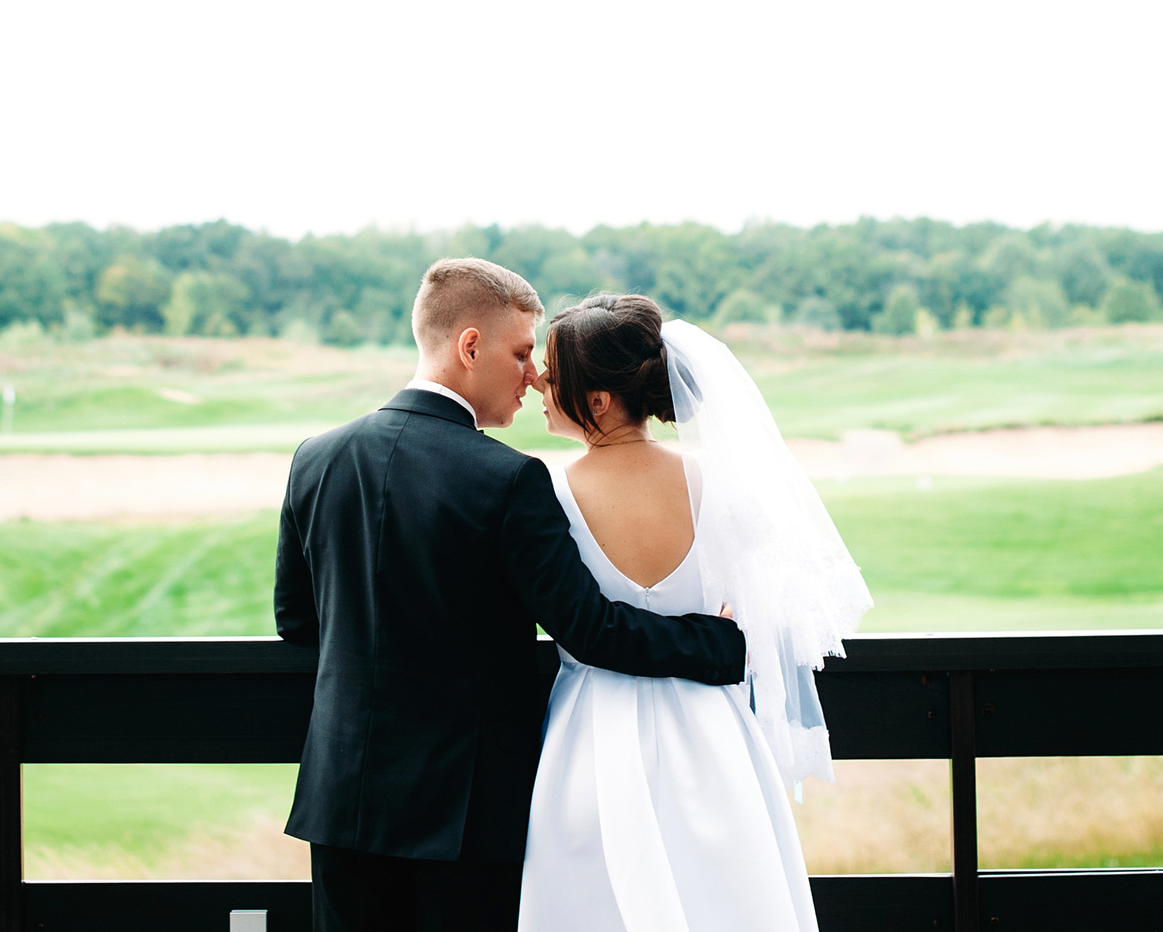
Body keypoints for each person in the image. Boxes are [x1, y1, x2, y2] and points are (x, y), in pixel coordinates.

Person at [275, 260, 747, 932]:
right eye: (523, 352)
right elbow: (589, 627)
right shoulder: (507, 479)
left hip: (343, 798)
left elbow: (296, 621)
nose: (534, 374)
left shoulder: (315, 457)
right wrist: (721, 642)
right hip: (466, 812)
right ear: (471, 346)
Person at [518, 295, 872, 932]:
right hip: (712, 730)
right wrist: (733, 627)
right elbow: (780, 604)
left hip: (591, 736)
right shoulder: (720, 482)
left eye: (552, 370)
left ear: (597, 401)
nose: (540, 382)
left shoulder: (546, 488)